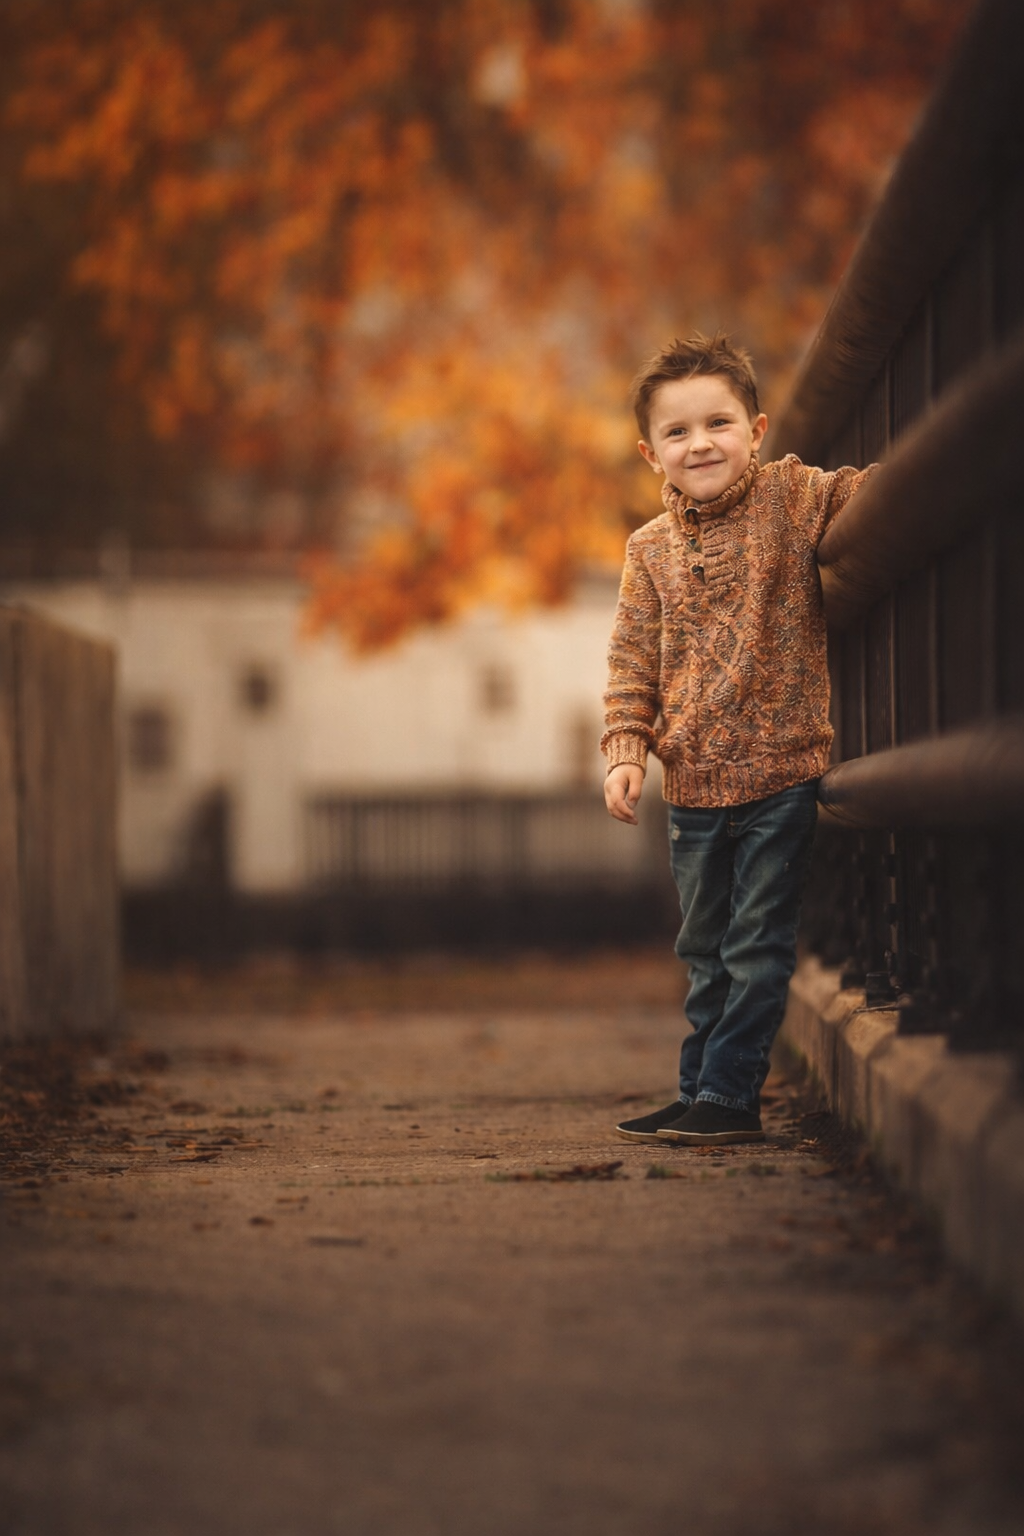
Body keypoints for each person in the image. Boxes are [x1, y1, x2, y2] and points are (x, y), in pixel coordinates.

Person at [603, 331, 874, 1147]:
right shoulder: (646, 550)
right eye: (678, 433)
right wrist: (625, 751)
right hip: (691, 787)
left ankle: (730, 1097)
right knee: (705, 949)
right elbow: (630, 662)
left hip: (781, 777)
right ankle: (698, 1090)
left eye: (718, 423)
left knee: (756, 944)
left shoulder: (793, 499)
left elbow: (872, 492)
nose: (700, 444)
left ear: (756, 431)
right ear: (650, 453)